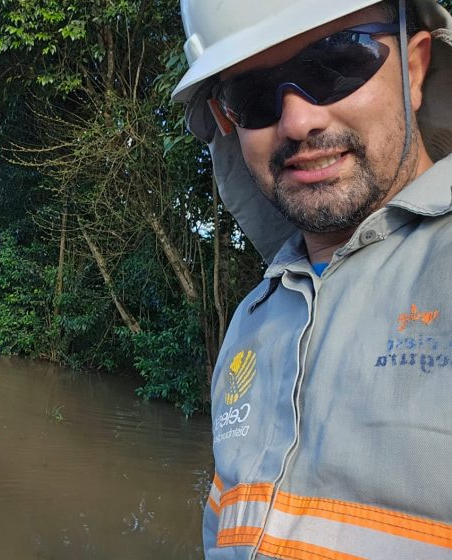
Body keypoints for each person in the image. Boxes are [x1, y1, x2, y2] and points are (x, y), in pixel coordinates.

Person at [172, 0, 452, 557]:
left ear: (414, 68)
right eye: (254, 95)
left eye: (335, 64)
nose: (298, 122)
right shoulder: (254, 317)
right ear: (229, 120)